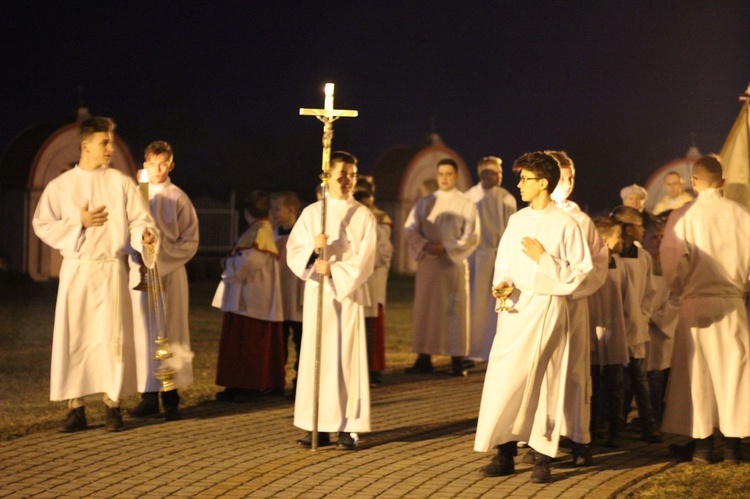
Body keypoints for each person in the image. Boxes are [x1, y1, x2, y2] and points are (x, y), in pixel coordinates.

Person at [32, 117, 159, 432]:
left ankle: (112, 406)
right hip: (78, 269)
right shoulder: (61, 186)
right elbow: (42, 224)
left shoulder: (121, 183)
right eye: (104, 143)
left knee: (109, 338)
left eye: (112, 142)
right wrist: (79, 221)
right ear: (85, 145)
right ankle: (76, 408)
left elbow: (139, 220)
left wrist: (144, 236)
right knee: (76, 338)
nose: (110, 148)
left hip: (109, 271)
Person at [474, 152, 592, 484]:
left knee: (544, 380)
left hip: (548, 307)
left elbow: (580, 272)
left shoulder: (566, 224)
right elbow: (505, 261)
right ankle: (505, 451)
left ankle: (542, 455)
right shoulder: (517, 220)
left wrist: (545, 261)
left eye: (526, 179)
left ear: (543, 182)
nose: (520, 184)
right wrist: (502, 284)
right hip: (516, 309)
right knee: (506, 378)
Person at [661, 155, 750, 464]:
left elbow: (673, 264)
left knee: (697, 373)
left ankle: (702, 445)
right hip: (732, 301)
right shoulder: (741, 215)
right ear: (723, 181)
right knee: (733, 373)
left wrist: (679, 288)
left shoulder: (683, 216)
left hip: (696, 301)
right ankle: (733, 446)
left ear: (694, 182)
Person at [286, 151, 376, 450]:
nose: (348, 180)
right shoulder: (313, 213)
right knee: (318, 358)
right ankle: (318, 426)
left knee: (345, 358)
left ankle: (348, 426)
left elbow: (366, 259)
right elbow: (294, 251)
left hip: (346, 294)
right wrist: (314, 250)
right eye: (342, 175)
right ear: (327, 176)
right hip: (319, 293)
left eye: (352, 174)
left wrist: (335, 268)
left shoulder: (363, 215)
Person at [128, 141, 199, 421]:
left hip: (170, 272)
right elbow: (125, 231)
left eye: (162, 164)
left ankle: (171, 396)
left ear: (171, 165)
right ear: (144, 165)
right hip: (141, 274)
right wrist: (139, 249)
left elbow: (190, 240)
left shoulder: (178, 198)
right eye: (152, 164)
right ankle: (147, 395)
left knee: (171, 329)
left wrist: (161, 256)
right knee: (143, 330)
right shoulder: (135, 196)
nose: (157, 169)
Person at [547, 151, 608, 465]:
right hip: (542, 307)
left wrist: (575, 286)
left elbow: (598, 262)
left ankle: (577, 436)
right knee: (545, 372)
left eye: (570, 178)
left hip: (573, 305)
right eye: (561, 177)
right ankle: (542, 437)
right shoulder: (532, 216)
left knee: (573, 370)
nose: (567, 184)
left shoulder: (581, 220)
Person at [404, 158, 479, 376]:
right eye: (441, 174)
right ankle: (424, 357)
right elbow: (410, 229)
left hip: (452, 266)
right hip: (429, 265)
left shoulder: (466, 204)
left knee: (454, 311)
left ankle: (457, 359)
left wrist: (446, 247)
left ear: (456, 176)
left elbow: (472, 235)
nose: (444, 178)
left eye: (448, 174)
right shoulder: (424, 202)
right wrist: (425, 244)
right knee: (425, 310)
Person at [212, 191, 285, 401]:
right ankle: (235, 384)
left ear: (246, 212)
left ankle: (251, 386)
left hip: (253, 297)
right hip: (244, 296)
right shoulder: (258, 229)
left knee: (250, 344)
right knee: (239, 344)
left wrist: (227, 266)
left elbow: (250, 262)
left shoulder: (260, 231)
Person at [610, 205, 661, 443]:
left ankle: (649, 425)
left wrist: (643, 314)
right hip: (615, 328)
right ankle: (615, 427)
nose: (643, 230)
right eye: (639, 225)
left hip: (636, 326)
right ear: (628, 229)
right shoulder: (612, 257)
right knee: (616, 380)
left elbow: (649, 291)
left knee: (639, 378)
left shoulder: (643, 257)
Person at [465, 156, 516, 362]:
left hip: (499, 256)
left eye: (500, 173)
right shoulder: (470, 197)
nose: (499, 177)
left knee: (496, 304)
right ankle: (472, 348)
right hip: (476, 256)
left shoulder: (507, 198)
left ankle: (492, 347)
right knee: (475, 304)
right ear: (484, 174)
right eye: (496, 173)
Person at [588, 217, 629, 447]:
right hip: (593, 330)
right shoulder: (589, 264)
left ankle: (615, 428)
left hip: (615, 330)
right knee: (591, 383)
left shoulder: (620, 263)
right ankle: (591, 428)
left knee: (614, 383)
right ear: (604, 240)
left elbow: (628, 298)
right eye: (617, 236)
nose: (621, 241)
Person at [353, 179, 393, 386]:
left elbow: (384, 253)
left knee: (369, 328)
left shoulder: (378, 223)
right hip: (353, 284)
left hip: (372, 283)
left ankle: (370, 370)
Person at [641, 213, 678, 424]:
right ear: (645, 239)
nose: (660, 242)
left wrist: (658, 318)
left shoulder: (670, 265)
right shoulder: (638, 262)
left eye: (663, 237)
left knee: (657, 374)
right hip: (638, 326)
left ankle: (655, 417)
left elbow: (677, 296)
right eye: (655, 238)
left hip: (659, 328)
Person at [270, 191, 305, 397]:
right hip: (279, 296)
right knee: (278, 342)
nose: (273, 213)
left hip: (298, 294)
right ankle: (276, 381)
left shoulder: (302, 232)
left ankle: (300, 382)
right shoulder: (271, 233)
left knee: (301, 341)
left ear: (291, 210)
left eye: (277, 208)